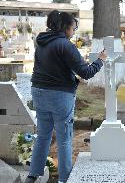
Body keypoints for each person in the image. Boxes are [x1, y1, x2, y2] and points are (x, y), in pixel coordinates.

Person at [24, 10, 106, 183]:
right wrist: (100, 60)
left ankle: (32, 175)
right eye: (74, 28)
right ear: (66, 27)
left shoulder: (42, 43)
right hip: (59, 96)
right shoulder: (65, 45)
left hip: (38, 92)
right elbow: (86, 72)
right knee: (64, 139)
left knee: (43, 135)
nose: (74, 31)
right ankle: (65, 179)